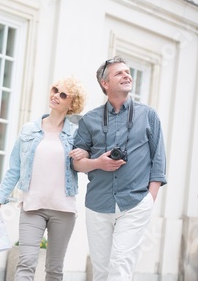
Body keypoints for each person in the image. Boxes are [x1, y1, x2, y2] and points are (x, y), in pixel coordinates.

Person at [71, 55, 167, 280]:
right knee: (102, 270)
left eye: (127, 71)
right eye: (119, 73)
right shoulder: (89, 120)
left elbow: (159, 161)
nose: (127, 75)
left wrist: (149, 200)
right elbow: (76, 162)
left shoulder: (148, 115)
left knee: (120, 263)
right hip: (98, 204)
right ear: (105, 83)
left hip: (135, 203)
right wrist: (98, 163)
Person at [0, 76, 88, 281]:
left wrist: (84, 154)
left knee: (54, 270)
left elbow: (84, 164)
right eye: (54, 90)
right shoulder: (29, 130)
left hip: (63, 210)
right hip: (32, 207)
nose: (55, 96)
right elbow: (14, 168)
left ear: (72, 103)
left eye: (62, 94)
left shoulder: (77, 134)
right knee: (26, 264)